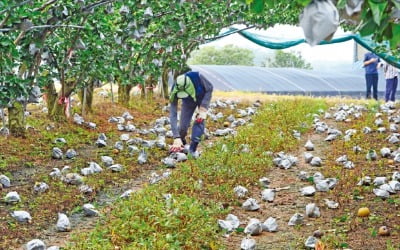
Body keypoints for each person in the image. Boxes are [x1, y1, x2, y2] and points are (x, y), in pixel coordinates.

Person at [169, 70, 213, 155]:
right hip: (188, 101)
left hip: (201, 98)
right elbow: (173, 114)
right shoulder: (174, 89)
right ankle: (180, 143)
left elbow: (210, 88)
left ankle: (193, 148)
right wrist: (176, 137)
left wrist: (203, 109)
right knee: (183, 126)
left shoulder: (198, 76)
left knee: (199, 120)